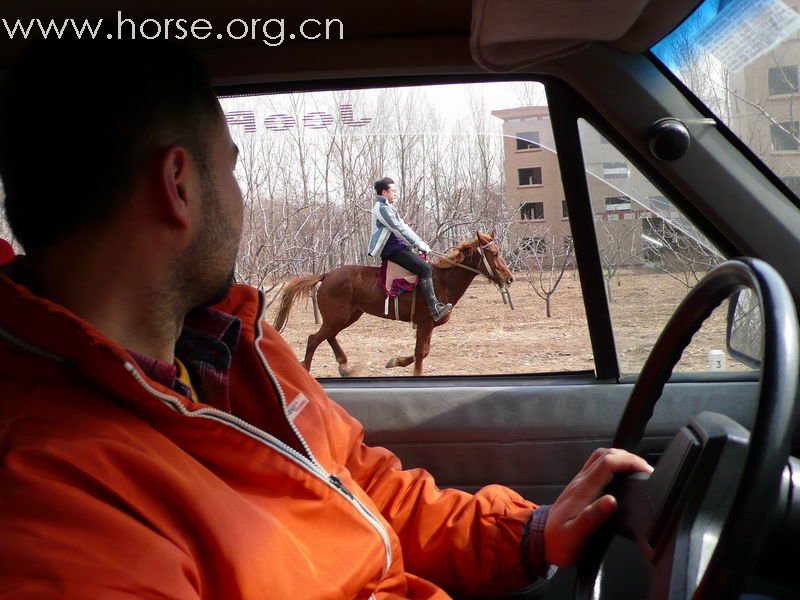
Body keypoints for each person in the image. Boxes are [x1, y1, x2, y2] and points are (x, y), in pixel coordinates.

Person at [0, 41, 651, 599]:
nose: (240, 196)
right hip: (386, 258)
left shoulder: (239, 347)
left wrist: (530, 532)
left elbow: (366, 488)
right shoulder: (51, 503)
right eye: (229, 167)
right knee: (423, 273)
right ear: (179, 185)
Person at [368, 178, 453, 321]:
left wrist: (420, 242)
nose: (395, 193)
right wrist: (416, 243)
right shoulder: (381, 208)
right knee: (425, 269)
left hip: (399, 247)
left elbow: (404, 226)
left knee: (426, 267)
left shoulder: (390, 207)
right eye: (393, 191)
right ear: (384, 192)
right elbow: (397, 228)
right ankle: (435, 309)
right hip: (391, 250)